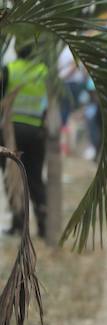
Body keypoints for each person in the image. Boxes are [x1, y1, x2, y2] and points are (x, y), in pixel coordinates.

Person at [1, 41, 48, 237]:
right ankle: (44, 226)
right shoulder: (44, 71)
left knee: (13, 178)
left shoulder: (9, 70)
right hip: (36, 130)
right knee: (35, 178)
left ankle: (19, 224)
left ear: (17, 51)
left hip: (11, 132)